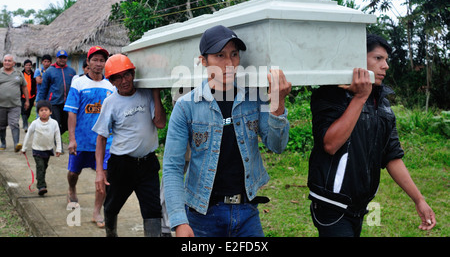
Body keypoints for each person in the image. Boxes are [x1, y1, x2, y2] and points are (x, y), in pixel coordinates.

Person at [162, 25, 291, 237]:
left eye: (234, 54)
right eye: (220, 56)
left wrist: (278, 101)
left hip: (247, 211)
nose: (229, 64)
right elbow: (172, 166)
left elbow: (277, 146)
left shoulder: (255, 98)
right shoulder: (186, 106)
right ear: (203, 61)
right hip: (202, 215)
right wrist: (178, 220)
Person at [307, 34, 436, 237]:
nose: (385, 66)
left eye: (386, 60)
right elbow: (330, 144)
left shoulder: (382, 104)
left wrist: (419, 200)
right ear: (358, 59)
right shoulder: (330, 94)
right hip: (332, 204)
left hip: (360, 206)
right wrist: (360, 97)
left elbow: (391, 155)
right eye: (378, 58)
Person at [93, 54, 166, 237]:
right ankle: (111, 233)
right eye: (117, 78)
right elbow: (101, 138)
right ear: (111, 81)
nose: (123, 81)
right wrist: (100, 172)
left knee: (152, 210)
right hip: (121, 164)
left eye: (126, 75)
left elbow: (160, 123)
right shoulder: (110, 103)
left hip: (148, 164)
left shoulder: (147, 94)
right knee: (111, 206)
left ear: (133, 74)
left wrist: (156, 94)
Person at [63, 46, 114, 228]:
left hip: (105, 141)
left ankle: (96, 211)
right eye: (95, 60)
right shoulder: (78, 83)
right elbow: (72, 113)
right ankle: (71, 188)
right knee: (73, 172)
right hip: (82, 139)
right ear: (88, 62)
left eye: (102, 60)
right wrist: (72, 139)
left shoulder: (110, 85)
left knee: (104, 175)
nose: (99, 64)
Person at [37, 50, 76, 152]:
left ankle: (52, 137)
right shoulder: (50, 71)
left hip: (67, 103)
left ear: (66, 59)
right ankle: (59, 146)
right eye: (60, 57)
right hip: (53, 103)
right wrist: (41, 103)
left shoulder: (72, 72)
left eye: (64, 57)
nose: (62, 59)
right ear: (56, 58)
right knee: (57, 124)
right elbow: (44, 89)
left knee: (67, 125)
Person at [21, 100, 62, 196]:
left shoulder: (54, 123)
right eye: (41, 110)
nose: (44, 112)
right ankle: (41, 186)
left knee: (44, 167)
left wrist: (58, 149)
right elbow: (28, 135)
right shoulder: (35, 123)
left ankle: (40, 179)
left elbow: (57, 136)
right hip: (37, 149)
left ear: (50, 112)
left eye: (46, 110)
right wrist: (24, 148)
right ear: (38, 112)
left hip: (48, 149)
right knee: (40, 167)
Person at [0, 54, 29, 151]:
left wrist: (27, 100)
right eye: (5, 60)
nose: (7, 62)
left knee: (14, 123)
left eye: (9, 61)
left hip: (15, 104)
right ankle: (3, 143)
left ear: (13, 63)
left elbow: (24, 87)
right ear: (3, 62)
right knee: (1, 125)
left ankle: (16, 144)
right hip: (1, 105)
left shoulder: (18, 73)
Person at [21, 59, 37, 131]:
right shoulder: (21, 74)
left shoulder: (34, 75)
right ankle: (25, 125)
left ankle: (25, 122)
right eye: (26, 65)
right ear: (24, 66)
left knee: (28, 111)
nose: (28, 66)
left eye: (29, 65)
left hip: (31, 96)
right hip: (22, 96)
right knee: (23, 110)